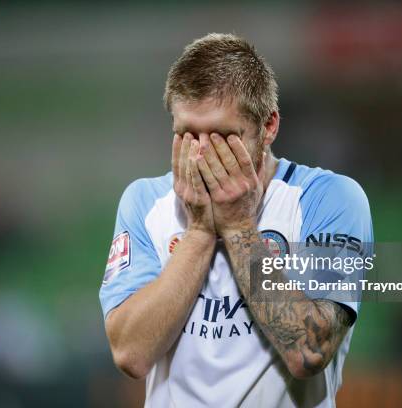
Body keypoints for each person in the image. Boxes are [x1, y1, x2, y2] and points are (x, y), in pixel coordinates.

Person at [99, 33, 373, 407]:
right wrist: (198, 231)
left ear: (269, 126)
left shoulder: (328, 199)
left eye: (223, 136)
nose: (202, 155)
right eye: (187, 135)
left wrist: (239, 226)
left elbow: (308, 351)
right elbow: (131, 354)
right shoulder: (146, 202)